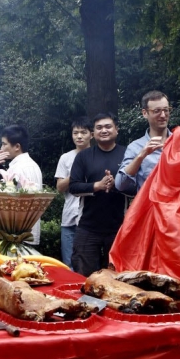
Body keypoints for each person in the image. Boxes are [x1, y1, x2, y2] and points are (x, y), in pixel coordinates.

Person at [68, 113, 128, 276]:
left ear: (116, 130)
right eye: (99, 127)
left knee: (117, 277)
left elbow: (137, 187)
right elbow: (73, 186)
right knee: (83, 277)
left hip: (119, 228)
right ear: (93, 133)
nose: (104, 130)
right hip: (88, 226)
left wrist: (117, 184)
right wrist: (97, 186)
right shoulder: (84, 156)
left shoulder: (127, 154)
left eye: (108, 126)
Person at [117, 91, 180, 196]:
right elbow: (120, 184)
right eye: (157, 111)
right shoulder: (135, 147)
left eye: (166, 110)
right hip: (152, 209)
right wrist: (141, 156)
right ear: (145, 113)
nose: (163, 115)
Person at [54, 118, 93, 266]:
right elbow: (59, 187)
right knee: (68, 264)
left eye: (83, 132)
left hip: (91, 218)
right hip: (69, 217)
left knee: (87, 264)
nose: (79, 136)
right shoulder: (65, 158)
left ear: (92, 135)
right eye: (75, 133)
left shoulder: (98, 155)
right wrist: (75, 175)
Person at [0, 125, 43, 244]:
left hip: (18, 234)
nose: (1, 148)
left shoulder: (18, 168)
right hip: (30, 232)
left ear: (17, 146)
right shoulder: (33, 165)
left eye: (4, 144)